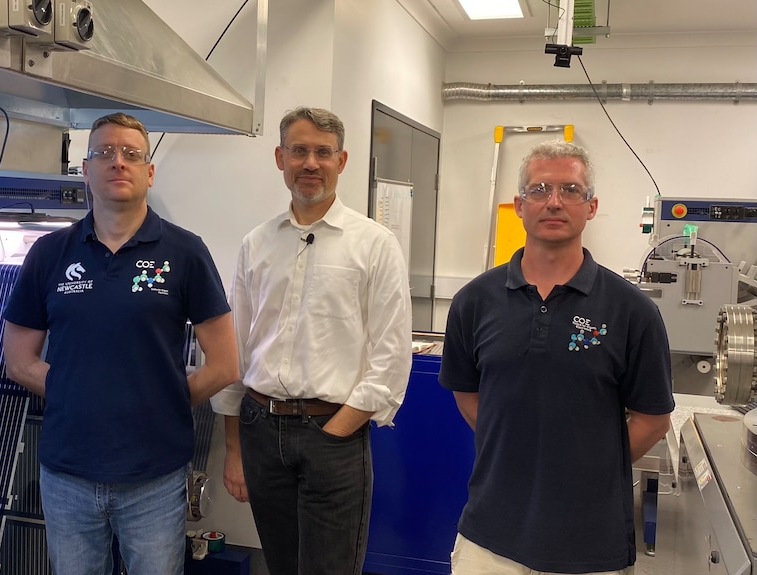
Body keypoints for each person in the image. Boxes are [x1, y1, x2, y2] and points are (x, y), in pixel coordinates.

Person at [2, 112, 238, 575]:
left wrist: (163, 401)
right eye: (104, 152)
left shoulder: (185, 252)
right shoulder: (49, 254)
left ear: (149, 172)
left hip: (155, 478)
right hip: (67, 474)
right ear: (85, 170)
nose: (118, 162)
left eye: (132, 154)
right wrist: (78, 395)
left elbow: (225, 364)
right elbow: (17, 360)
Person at [439, 140, 674, 575]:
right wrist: (518, 449)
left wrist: (588, 464)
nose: (553, 201)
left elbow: (653, 418)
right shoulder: (474, 301)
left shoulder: (632, 311)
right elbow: (468, 393)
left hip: (589, 543)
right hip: (488, 538)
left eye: (570, 190)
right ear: (519, 205)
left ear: (591, 206)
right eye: (539, 189)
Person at [210, 106, 413, 575]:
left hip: (333, 433)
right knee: (281, 565)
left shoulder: (374, 244)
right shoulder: (256, 243)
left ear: (341, 161)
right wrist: (236, 450)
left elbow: (390, 355)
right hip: (261, 428)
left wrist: (337, 431)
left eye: (323, 152)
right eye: (299, 151)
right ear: (280, 158)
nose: (310, 163)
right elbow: (237, 347)